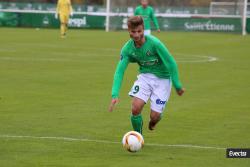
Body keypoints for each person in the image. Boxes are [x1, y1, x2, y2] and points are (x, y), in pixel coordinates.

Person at [109, 16, 185, 134]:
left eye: (139, 31)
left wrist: (177, 85)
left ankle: (154, 122)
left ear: (143, 29)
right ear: (128, 30)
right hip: (145, 77)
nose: (136, 35)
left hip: (162, 80)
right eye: (133, 32)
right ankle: (138, 136)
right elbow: (119, 71)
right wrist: (115, 94)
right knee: (135, 108)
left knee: (155, 116)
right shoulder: (127, 49)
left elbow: (171, 63)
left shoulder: (155, 43)